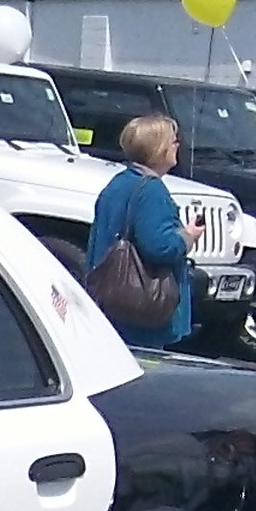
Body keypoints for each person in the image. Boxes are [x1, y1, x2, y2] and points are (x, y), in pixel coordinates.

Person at [86, 114, 195, 350]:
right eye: (173, 140)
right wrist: (188, 236)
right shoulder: (152, 190)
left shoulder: (118, 183)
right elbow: (161, 247)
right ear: (159, 148)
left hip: (112, 301)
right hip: (143, 312)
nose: (177, 145)